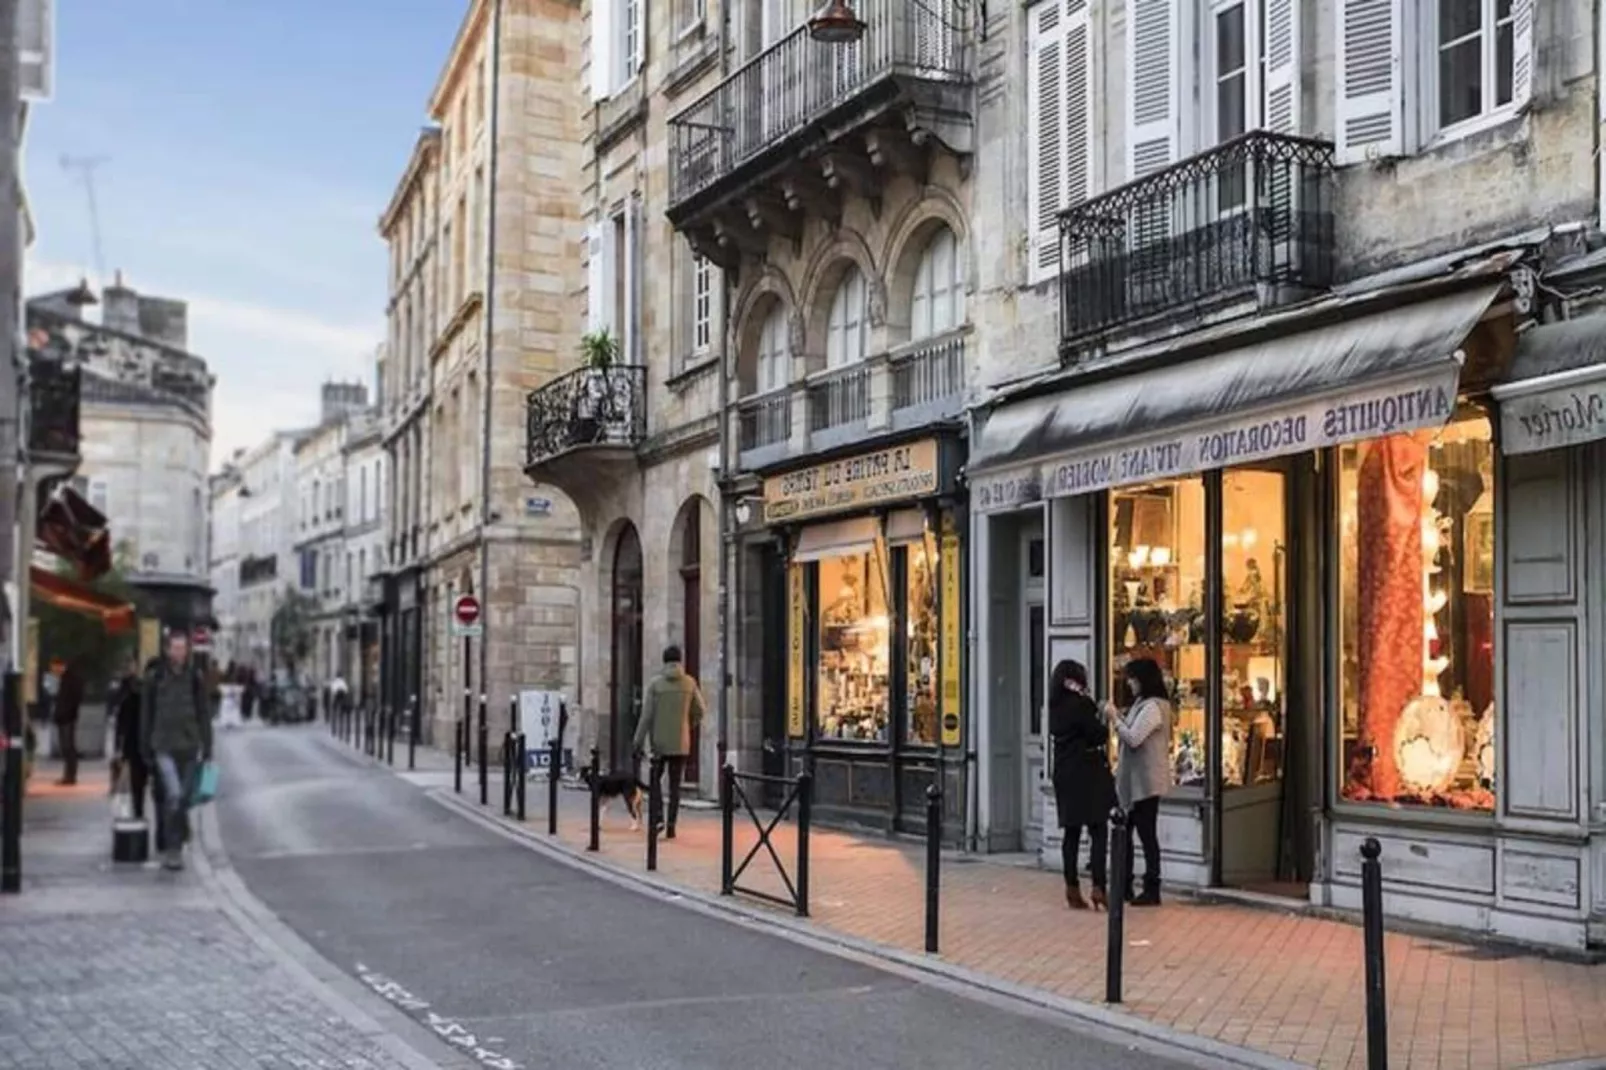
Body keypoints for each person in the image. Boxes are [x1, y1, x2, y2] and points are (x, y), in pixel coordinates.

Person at [141, 630, 213, 871]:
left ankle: (180, 831)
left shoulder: (195, 678)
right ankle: (174, 851)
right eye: (176, 648)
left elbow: (204, 712)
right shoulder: (156, 677)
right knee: (173, 795)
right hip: (163, 745)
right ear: (167, 649)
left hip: (190, 746)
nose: (179, 653)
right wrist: (145, 746)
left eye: (183, 649)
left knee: (182, 798)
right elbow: (146, 713)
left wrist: (208, 745)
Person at [1049, 659, 1116, 911]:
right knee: (1098, 830)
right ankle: (1099, 886)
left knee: (1072, 832)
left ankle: (1071, 887)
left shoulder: (1055, 706)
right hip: (1088, 772)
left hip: (1064, 773)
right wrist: (1102, 716)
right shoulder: (1082, 704)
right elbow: (1098, 734)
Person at [1110, 657, 1172, 907]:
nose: (1129, 684)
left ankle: (1151, 887)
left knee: (1146, 835)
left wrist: (1115, 718)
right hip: (1135, 782)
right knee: (1128, 833)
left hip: (1147, 782)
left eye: (1133, 679)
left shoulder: (1154, 707)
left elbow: (1134, 737)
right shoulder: (1141, 704)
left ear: (1143, 680)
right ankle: (1125, 883)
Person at [632, 644, 706, 840]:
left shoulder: (656, 685)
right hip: (681, 743)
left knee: (655, 782)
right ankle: (672, 825)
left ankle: (658, 818)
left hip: (659, 743)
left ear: (664, 661)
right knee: (675, 786)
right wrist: (688, 725)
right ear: (680, 661)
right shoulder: (689, 683)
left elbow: (646, 716)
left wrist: (637, 741)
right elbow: (700, 710)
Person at [109, 657, 150, 820]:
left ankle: (138, 812)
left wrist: (118, 748)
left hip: (135, 746)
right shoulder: (134, 695)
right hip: (139, 746)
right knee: (138, 783)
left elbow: (121, 725)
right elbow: (121, 724)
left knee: (137, 784)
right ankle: (139, 812)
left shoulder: (131, 695)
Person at [53, 660, 84, 785]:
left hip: (66, 717)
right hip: (66, 716)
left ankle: (70, 775)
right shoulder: (68, 680)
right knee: (67, 745)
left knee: (67, 746)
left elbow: (67, 701)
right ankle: (69, 774)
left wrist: (63, 713)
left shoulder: (69, 681)